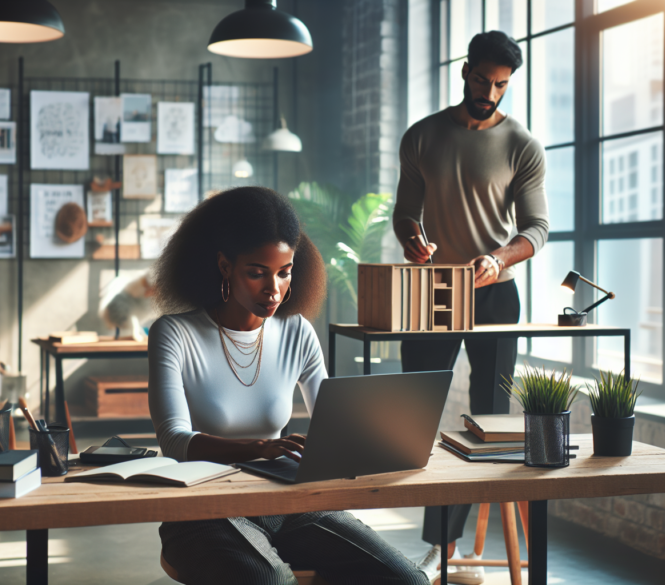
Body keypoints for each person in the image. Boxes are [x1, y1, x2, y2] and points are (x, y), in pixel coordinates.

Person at [148, 186, 435, 585]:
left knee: (409, 580)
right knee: (271, 581)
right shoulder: (174, 334)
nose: (274, 290)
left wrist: (385, 439)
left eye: (284, 272)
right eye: (256, 272)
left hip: (286, 499)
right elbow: (174, 441)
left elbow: (334, 424)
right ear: (224, 265)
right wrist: (258, 448)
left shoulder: (296, 331)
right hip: (203, 508)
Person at [393, 31, 550, 584]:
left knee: (490, 420)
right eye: (483, 80)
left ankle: (444, 545)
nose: (490, 92)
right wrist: (412, 239)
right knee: (415, 414)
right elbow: (404, 212)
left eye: (501, 85)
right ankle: (426, 541)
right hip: (433, 289)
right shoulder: (422, 136)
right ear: (465, 71)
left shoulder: (522, 145)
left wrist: (498, 258)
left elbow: (537, 228)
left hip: (495, 292)